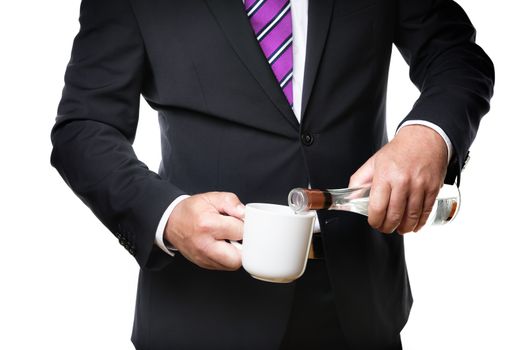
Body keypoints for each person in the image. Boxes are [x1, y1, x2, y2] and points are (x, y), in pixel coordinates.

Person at [50, 0, 494, 349]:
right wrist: (169, 215)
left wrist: (428, 134)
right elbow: (84, 127)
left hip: (361, 307)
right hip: (202, 313)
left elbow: (455, 54)